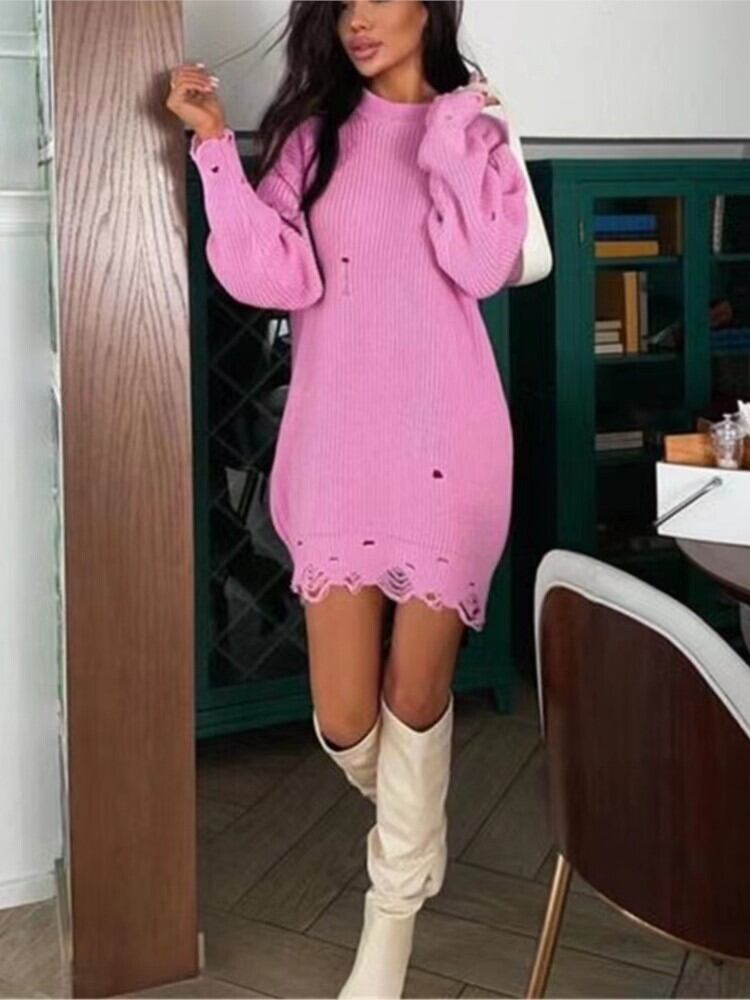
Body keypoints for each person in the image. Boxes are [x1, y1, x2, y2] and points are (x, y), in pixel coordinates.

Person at [167, 2, 528, 995]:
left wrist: (451, 133)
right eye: (340, 4)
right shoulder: (314, 136)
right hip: (339, 445)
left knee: (415, 696)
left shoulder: (476, 128)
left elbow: (483, 265)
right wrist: (214, 149)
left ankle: (391, 912)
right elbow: (269, 275)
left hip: (450, 440)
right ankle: (418, 822)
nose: (356, 19)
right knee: (343, 715)